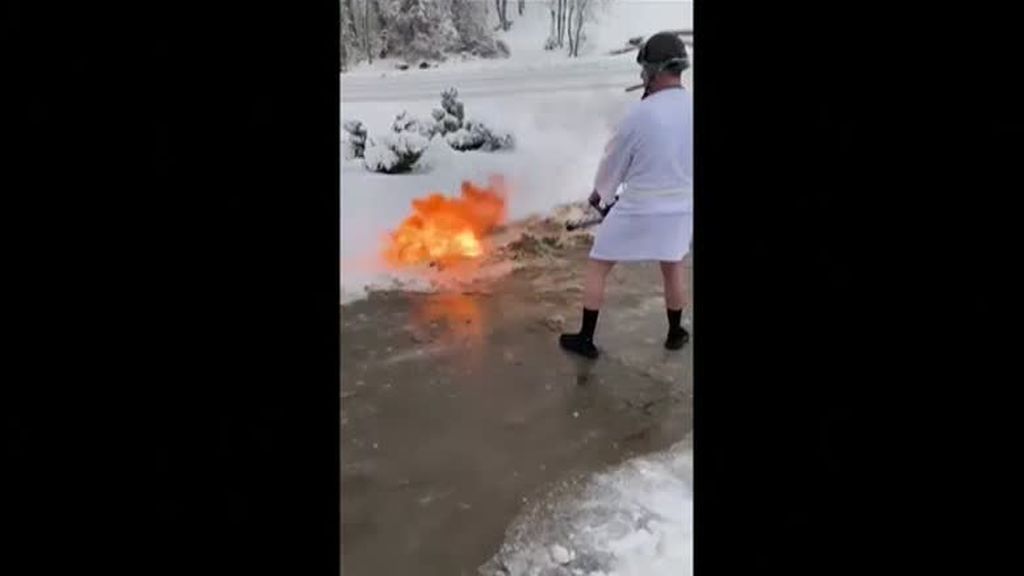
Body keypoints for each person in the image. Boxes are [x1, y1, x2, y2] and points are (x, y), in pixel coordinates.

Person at [559, 31, 693, 359]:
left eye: (646, 68)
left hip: (639, 207)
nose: (644, 75)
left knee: (598, 265)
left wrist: (598, 196)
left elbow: (613, 163)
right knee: (673, 265)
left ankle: (586, 339)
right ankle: (675, 332)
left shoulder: (639, 115)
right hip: (680, 208)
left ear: (656, 70)